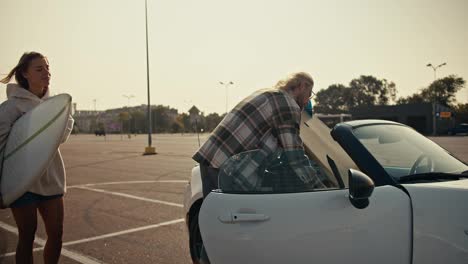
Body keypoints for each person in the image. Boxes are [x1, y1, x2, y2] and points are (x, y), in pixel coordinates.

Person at [193, 72, 327, 197]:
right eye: (310, 93)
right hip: (225, 171)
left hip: (212, 160)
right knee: (228, 219)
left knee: (213, 220)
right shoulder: (287, 104)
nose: (308, 100)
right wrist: (320, 188)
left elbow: (269, 142)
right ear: (302, 86)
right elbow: (295, 155)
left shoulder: (269, 93)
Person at [0, 52, 74, 264]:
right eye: (39, 69)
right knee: (27, 235)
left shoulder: (56, 107)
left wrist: (60, 114)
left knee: (56, 233)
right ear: (24, 73)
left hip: (51, 178)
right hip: (22, 182)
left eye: (47, 68)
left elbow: (62, 137)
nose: (46, 73)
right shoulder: (11, 108)